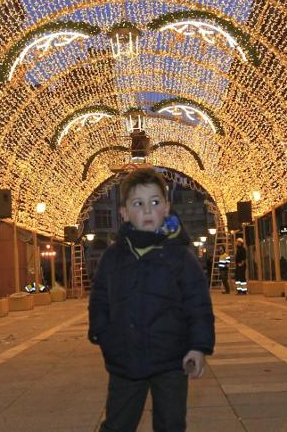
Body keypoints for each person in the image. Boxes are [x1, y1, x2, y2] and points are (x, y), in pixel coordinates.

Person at [89, 168, 214, 432]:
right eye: (138, 203)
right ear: (124, 212)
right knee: (118, 424)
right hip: (125, 358)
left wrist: (198, 347)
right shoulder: (113, 257)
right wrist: (103, 334)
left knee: (171, 424)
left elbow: (198, 304)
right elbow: (99, 298)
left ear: (166, 207)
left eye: (155, 202)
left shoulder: (180, 256)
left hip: (171, 359)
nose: (147, 211)